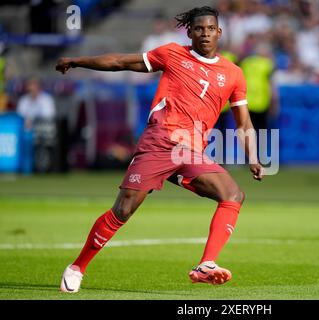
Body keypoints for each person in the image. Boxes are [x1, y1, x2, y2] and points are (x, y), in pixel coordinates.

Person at [55, 6, 264, 292]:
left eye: (210, 28)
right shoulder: (172, 54)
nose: (205, 33)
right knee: (124, 209)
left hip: (190, 152)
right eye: (199, 28)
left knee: (232, 194)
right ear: (189, 32)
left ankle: (206, 264)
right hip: (160, 141)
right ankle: (78, 266)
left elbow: (244, 122)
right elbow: (120, 62)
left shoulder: (234, 74)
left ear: (220, 32)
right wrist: (77, 61)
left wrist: (253, 155)